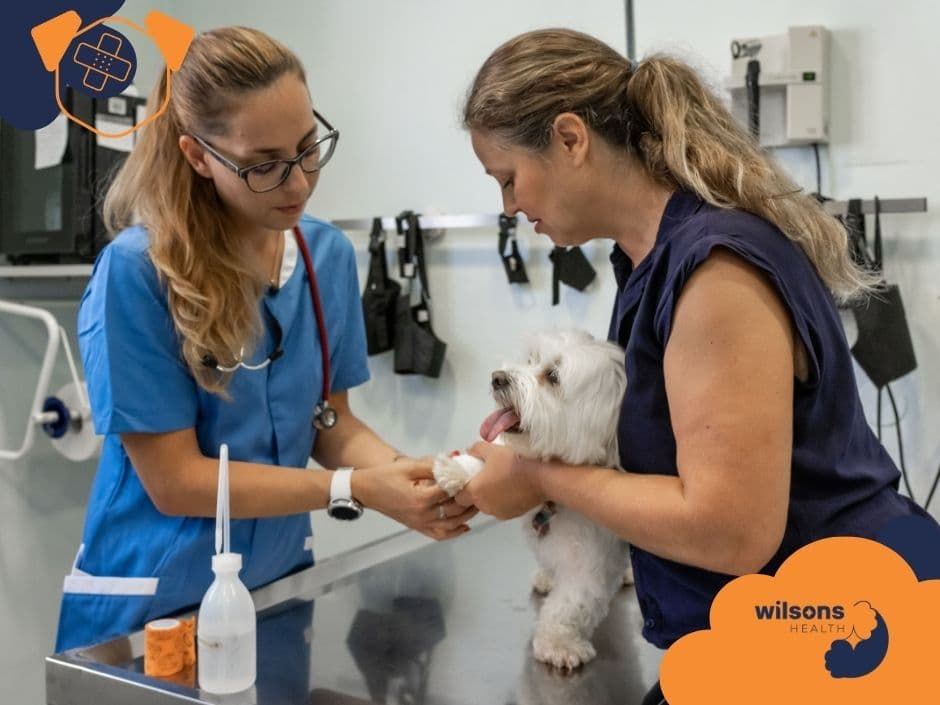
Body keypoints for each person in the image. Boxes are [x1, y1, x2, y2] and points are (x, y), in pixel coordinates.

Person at [455, 28, 935, 703]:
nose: (510, 207)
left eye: (508, 179)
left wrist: (537, 476)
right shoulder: (647, 263)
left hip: (843, 630)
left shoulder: (715, 272)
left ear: (570, 139)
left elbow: (730, 530)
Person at [55, 27, 475, 653]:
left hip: (275, 592)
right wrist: (353, 489)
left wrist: (413, 479)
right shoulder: (139, 273)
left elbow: (330, 423)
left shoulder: (325, 254)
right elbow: (176, 481)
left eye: (308, 148)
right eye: (264, 165)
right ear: (199, 156)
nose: (299, 184)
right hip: (150, 608)